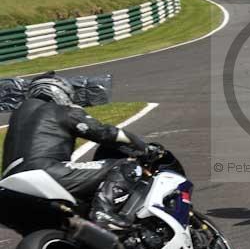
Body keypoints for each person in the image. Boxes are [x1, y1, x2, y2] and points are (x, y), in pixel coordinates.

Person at [1, 72, 150, 230]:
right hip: (45, 171)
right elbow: (105, 133)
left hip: (7, 188)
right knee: (125, 166)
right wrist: (143, 147)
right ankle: (104, 213)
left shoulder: (17, 118)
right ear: (58, 91)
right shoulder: (61, 110)